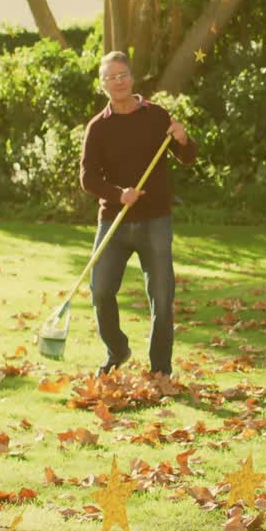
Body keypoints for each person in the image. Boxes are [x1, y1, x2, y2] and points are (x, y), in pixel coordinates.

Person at [79, 51, 197, 377]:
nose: (117, 82)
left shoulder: (156, 116)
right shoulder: (98, 128)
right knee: (100, 291)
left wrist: (184, 139)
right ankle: (117, 350)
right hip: (114, 223)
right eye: (110, 77)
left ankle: (160, 369)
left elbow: (187, 156)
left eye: (122, 75)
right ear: (102, 84)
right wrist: (119, 194)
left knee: (161, 296)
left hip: (155, 220)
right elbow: (88, 178)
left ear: (132, 78)